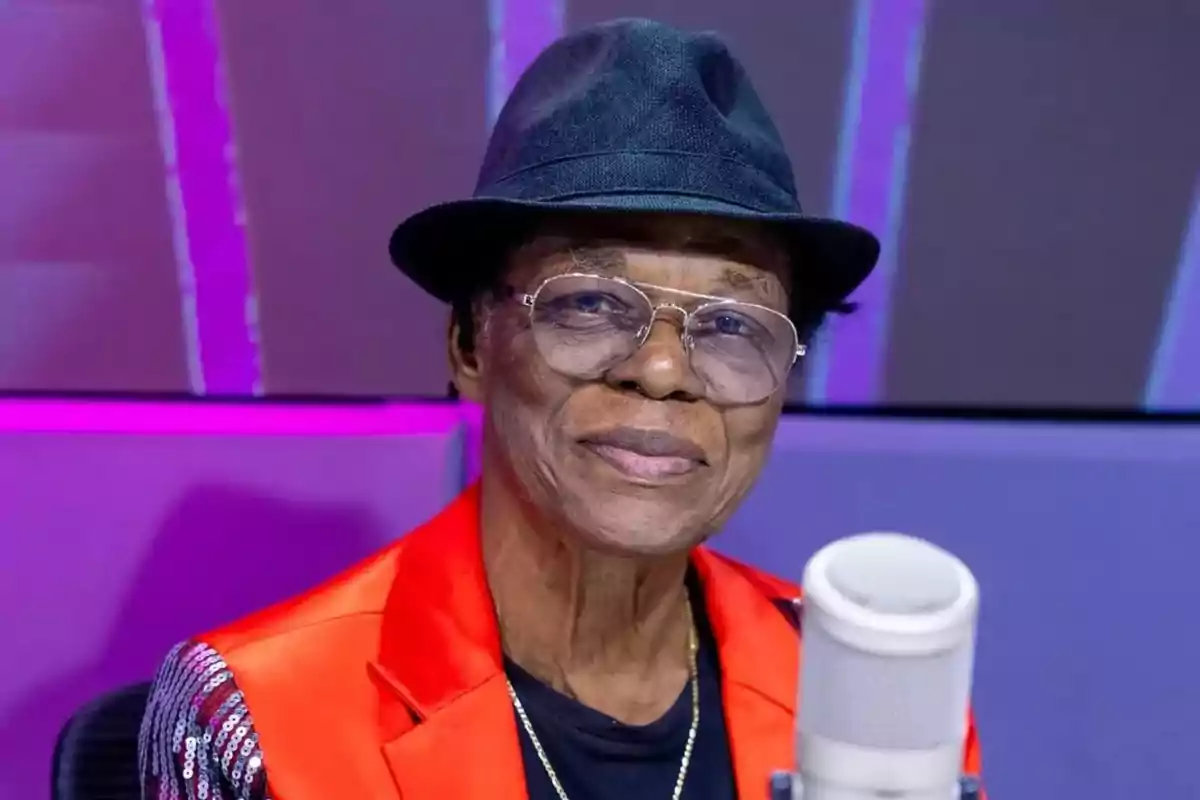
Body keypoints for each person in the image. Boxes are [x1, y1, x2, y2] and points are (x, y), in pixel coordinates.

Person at [138, 17, 984, 800]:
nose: (661, 371)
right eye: (590, 303)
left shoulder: (866, 688)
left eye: (731, 324)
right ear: (470, 342)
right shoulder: (256, 714)